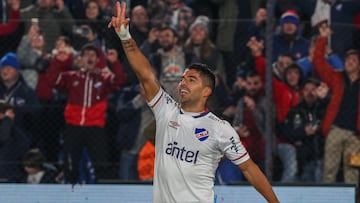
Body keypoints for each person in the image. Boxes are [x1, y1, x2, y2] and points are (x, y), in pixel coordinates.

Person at [108, 2, 279, 202]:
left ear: (207, 91)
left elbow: (249, 169)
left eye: (191, 79)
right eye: (182, 79)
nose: (182, 83)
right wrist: (125, 36)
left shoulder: (220, 128)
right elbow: (145, 74)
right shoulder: (165, 109)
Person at [46, 43, 127, 184]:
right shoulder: (71, 77)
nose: (89, 57)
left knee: (100, 164)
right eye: (86, 55)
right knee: (70, 163)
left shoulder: (103, 78)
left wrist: (115, 63)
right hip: (73, 126)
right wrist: (58, 61)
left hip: (95, 126)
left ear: (97, 60)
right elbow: (53, 80)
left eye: (93, 55)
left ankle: (102, 193)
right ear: (80, 59)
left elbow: (119, 81)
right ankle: (70, 193)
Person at [313, 24, 360, 186]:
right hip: (336, 130)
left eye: (354, 60)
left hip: (356, 136)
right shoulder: (337, 78)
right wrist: (322, 39)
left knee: (353, 172)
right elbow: (318, 62)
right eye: (347, 59)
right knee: (329, 170)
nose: (349, 62)